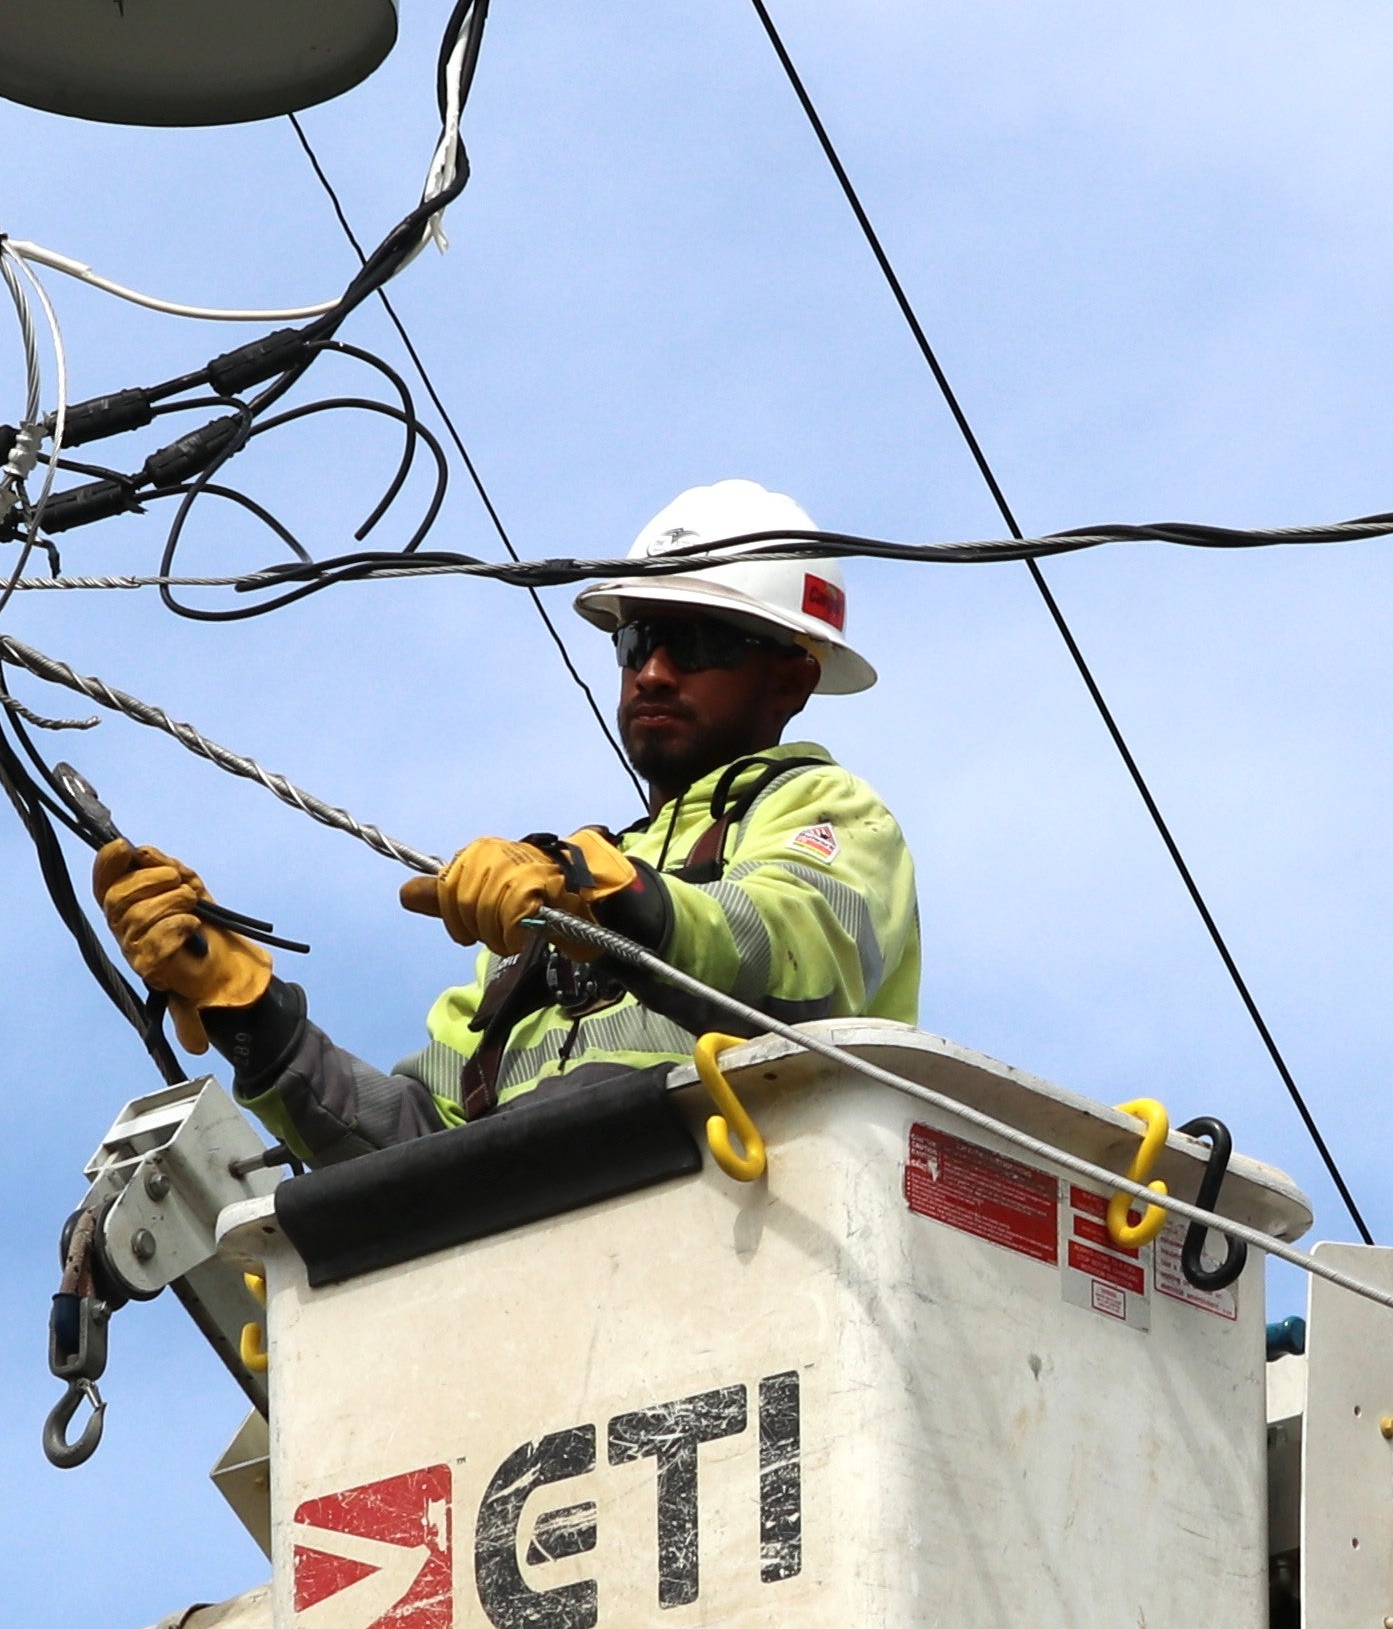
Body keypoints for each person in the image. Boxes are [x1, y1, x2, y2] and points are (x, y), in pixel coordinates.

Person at [91, 482, 917, 1166]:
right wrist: (252, 1013)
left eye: (696, 643)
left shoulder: (825, 813)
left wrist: (613, 897)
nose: (653, 673)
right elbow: (411, 1147)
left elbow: (797, 955)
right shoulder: (553, 893)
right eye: (638, 641)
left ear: (791, 680)